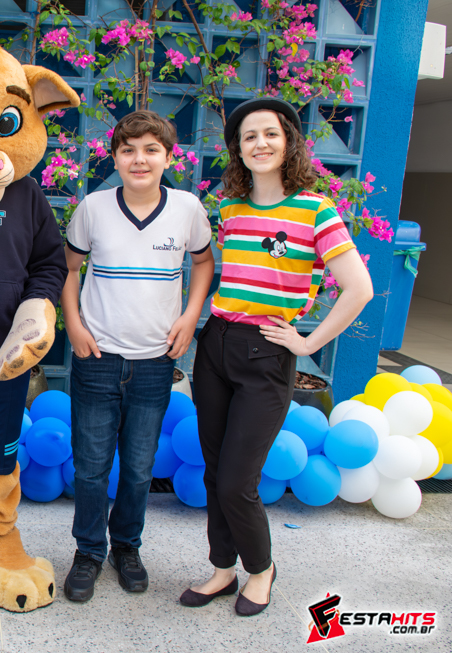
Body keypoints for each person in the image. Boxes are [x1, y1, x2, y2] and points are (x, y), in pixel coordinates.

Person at [180, 97, 373, 616]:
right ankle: (223, 569)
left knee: (238, 480)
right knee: (214, 472)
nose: (259, 143)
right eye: (249, 137)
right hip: (216, 344)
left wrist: (308, 344)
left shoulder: (315, 209)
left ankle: (261, 570)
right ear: (238, 150)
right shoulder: (230, 209)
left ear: (288, 142)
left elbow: (359, 288)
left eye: (270, 133)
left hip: (267, 352)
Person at [61, 111, 215, 602]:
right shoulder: (93, 207)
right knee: (90, 468)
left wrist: (191, 315)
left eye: (151, 149)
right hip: (97, 358)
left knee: (138, 468)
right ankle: (89, 551)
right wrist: (74, 325)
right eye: (128, 150)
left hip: (154, 363)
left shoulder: (187, 209)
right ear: (115, 158)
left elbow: (203, 262)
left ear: (168, 157)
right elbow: (68, 269)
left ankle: (126, 546)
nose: (139, 159)